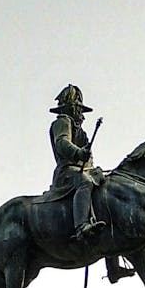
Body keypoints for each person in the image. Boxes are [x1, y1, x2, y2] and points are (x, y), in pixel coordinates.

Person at [48, 84, 107, 243]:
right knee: (85, 182)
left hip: (84, 170)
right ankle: (81, 227)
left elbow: (89, 159)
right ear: (71, 108)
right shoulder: (62, 122)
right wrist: (79, 153)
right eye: (79, 110)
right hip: (67, 172)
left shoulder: (82, 133)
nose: (82, 115)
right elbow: (62, 143)